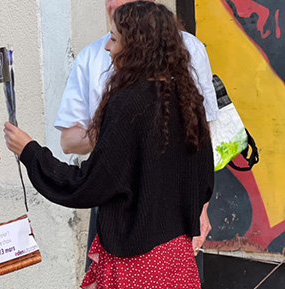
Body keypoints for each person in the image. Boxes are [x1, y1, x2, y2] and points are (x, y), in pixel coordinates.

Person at [4, 2, 215, 289]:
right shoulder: (187, 100)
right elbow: (202, 180)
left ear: (137, 45)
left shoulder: (127, 103)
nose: (107, 47)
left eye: (115, 39)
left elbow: (90, 184)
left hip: (134, 256)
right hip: (174, 255)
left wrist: (30, 152)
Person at [57, 0, 218, 254]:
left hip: (174, 203)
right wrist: (119, 127)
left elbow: (202, 133)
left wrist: (201, 206)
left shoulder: (188, 47)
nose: (112, 4)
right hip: (114, 203)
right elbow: (68, 142)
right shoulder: (91, 56)